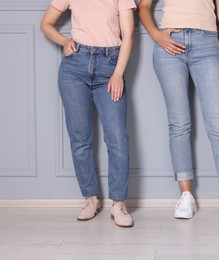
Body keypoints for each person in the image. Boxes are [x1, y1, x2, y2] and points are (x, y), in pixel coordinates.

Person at [138, 0, 219, 228]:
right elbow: (143, 7)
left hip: (207, 45)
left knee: (218, 123)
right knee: (179, 124)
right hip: (170, 45)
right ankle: (186, 196)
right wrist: (157, 36)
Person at [40, 0, 136, 228]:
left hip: (110, 65)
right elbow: (46, 24)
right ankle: (90, 199)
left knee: (117, 139)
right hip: (75, 68)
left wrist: (118, 73)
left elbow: (129, 35)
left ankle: (118, 204)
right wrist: (64, 41)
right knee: (80, 138)